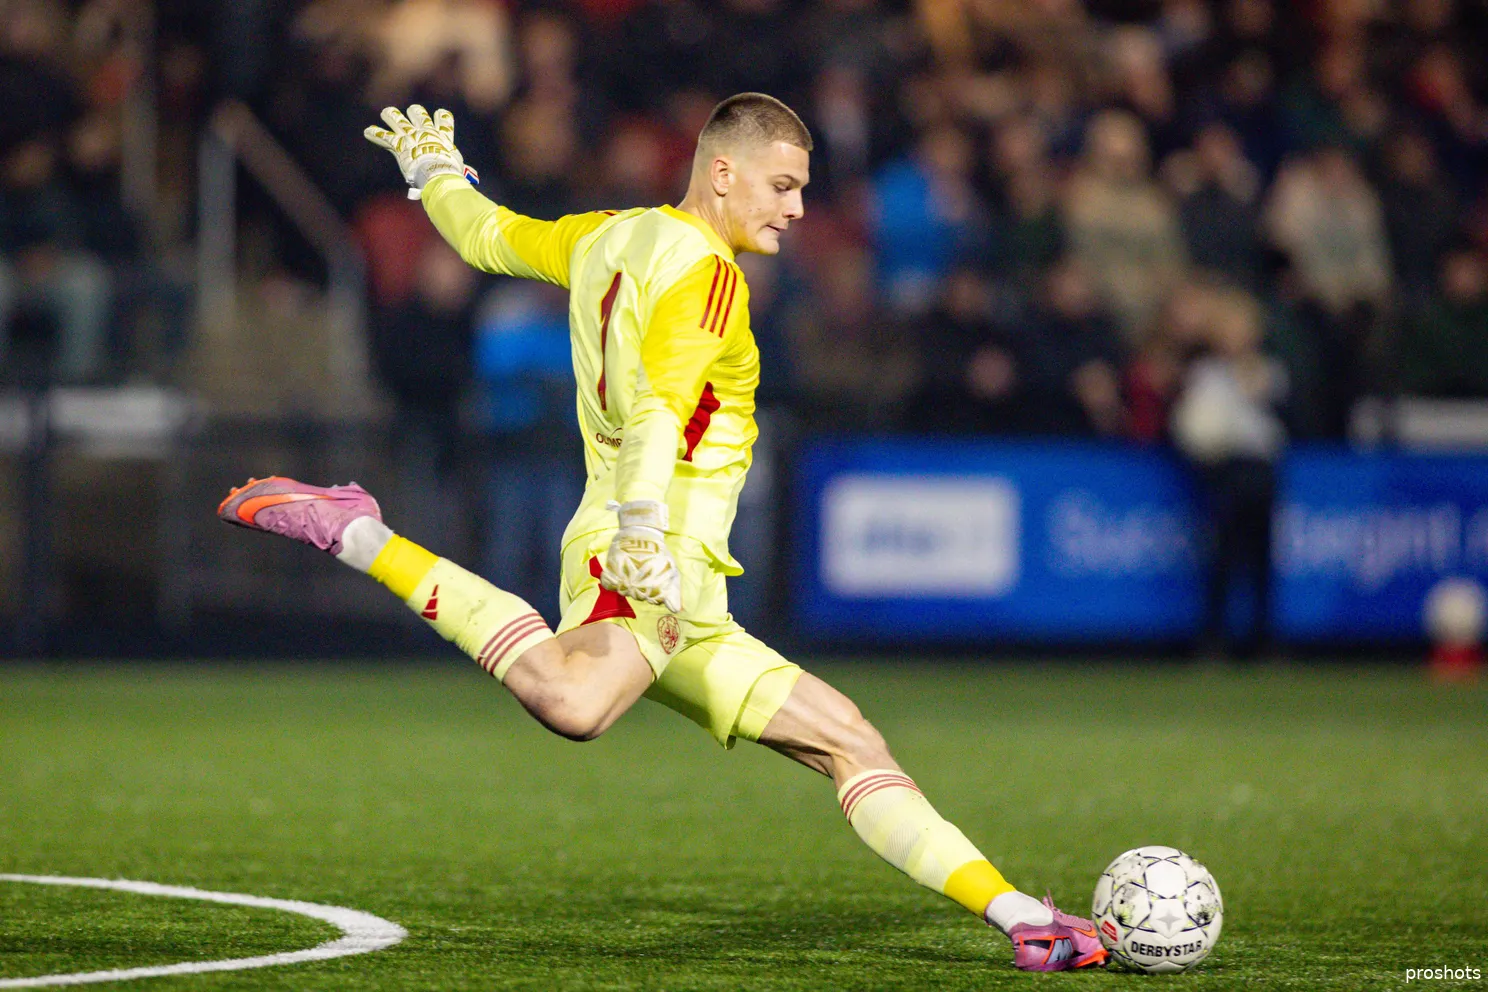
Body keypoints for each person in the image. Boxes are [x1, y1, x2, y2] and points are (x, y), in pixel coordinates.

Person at [217, 96, 1106, 972]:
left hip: (683, 581)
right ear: (723, 173)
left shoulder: (610, 232)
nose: (797, 209)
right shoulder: (710, 273)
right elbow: (659, 406)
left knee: (849, 740)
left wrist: (437, 175)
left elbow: (487, 236)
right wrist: (642, 527)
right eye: (783, 186)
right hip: (646, 550)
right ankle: (359, 534)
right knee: (574, 704)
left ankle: (1025, 917)